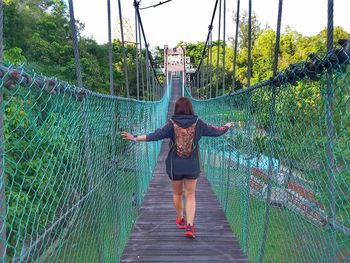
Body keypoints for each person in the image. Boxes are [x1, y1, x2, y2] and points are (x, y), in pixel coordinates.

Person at [121, 97, 234, 239]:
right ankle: (190, 226)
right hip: (192, 166)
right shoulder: (199, 124)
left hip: (175, 166)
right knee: (191, 195)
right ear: (191, 108)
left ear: (177, 109)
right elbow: (216, 132)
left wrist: (135, 137)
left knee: (177, 194)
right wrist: (227, 126)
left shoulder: (171, 124)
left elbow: (155, 135)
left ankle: (180, 219)